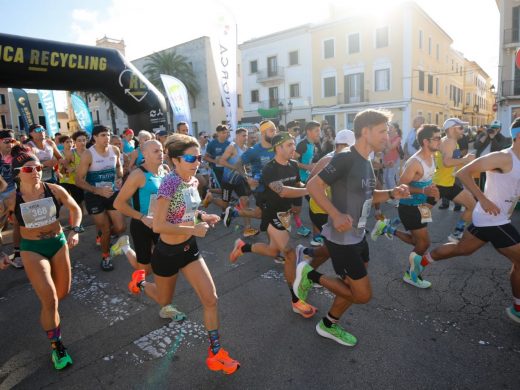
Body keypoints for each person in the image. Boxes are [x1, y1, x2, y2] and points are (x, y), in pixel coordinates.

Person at [301, 109, 410, 346]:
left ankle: (328, 324)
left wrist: (392, 192)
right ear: (365, 131)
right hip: (342, 240)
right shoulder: (345, 158)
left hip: (359, 236)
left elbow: (370, 195)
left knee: (350, 286)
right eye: (382, 131)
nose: (387, 137)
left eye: (388, 132)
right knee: (362, 295)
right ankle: (310, 274)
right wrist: (335, 214)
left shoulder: (366, 161)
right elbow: (313, 186)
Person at [409, 118, 520, 324]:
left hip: (461, 194)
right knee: (424, 213)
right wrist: (483, 198)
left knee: (463, 248)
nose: (462, 129)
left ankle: (422, 260)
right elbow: (458, 167)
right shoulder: (502, 157)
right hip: (479, 210)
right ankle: (518, 308)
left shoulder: (510, 158)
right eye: (459, 126)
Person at [151, 133, 239, 374]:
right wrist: (194, 227)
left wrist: (203, 216)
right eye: (191, 157)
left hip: (189, 249)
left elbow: (187, 212)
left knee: (211, 299)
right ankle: (139, 284)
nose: (197, 161)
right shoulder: (170, 183)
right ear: (176, 160)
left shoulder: (193, 180)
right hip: (167, 252)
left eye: (199, 156)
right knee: (163, 300)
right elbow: (158, 225)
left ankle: (215, 352)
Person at [1, 144, 82, 370]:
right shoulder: (11, 199)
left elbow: (75, 208)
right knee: (50, 299)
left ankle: (50, 315)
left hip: (58, 243)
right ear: (18, 173)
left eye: (38, 167)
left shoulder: (54, 189)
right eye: (28, 169)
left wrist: (75, 230)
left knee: (62, 293)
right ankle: (57, 345)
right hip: (32, 248)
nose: (36, 171)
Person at [229, 132, 317, 318]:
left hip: (284, 214)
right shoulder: (270, 169)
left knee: (272, 251)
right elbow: (282, 191)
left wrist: (307, 185)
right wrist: (310, 190)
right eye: (289, 145)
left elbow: (297, 182)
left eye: (294, 144)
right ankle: (296, 300)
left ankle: (243, 247)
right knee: (290, 252)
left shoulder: (293, 164)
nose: (294, 148)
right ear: (278, 148)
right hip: (270, 213)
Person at [112, 140, 186, 321]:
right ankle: (125, 248)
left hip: (162, 226)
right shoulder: (138, 175)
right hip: (142, 225)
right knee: (144, 268)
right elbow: (118, 203)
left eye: (162, 150)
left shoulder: (166, 171)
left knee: (164, 266)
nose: (161, 154)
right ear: (144, 154)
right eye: (155, 151)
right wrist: (142, 217)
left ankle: (165, 306)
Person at [371, 124, 441, 288]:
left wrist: (433, 194)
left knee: (417, 241)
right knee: (424, 244)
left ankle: (387, 229)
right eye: (437, 138)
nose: (440, 141)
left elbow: (428, 180)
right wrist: (424, 190)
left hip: (423, 205)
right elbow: (401, 186)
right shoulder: (415, 163)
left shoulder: (432, 157)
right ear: (426, 141)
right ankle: (411, 275)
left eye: (440, 137)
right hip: (410, 207)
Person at [75, 125, 126, 271]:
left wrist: (120, 178)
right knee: (105, 230)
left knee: (121, 227)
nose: (107, 138)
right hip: (94, 195)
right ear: (95, 137)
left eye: (108, 135)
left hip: (111, 192)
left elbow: (118, 167)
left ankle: (104, 235)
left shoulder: (114, 150)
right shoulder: (88, 154)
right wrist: (97, 190)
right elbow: (78, 180)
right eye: (103, 135)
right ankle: (106, 256)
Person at [222, 120, 277, 227]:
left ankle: (234, 212)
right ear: (263, 133)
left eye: (275, 130)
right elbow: (238, 165)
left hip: (274, 186)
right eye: (271, 131)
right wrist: (247, 178)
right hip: (261, 188)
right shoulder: (254, 150)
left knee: (260, 214)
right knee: (266, 215)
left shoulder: (277, 147)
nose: (274, 133)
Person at [206, 128, 257, 237]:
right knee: (225, 204)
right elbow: (221, 161)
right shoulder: (232, 147)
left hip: (238, 179)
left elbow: (243, 165)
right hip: (227, 180)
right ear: (237, 136)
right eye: (244, 135)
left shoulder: (245, 148)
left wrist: (246, 174)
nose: (246, 138)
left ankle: (247, 228)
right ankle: (211, 198)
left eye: (246, 135)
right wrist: (233, 167)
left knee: (245, 200)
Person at [308, 129, 355, 246]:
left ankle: (306, 253)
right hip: (322, 211)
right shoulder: (327, 160)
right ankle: (306, 254)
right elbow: (309, 184)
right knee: (336, 247)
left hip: (333, 211)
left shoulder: (346, 159)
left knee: (333, 247)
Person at [433, 118, 477, 243]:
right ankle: (389, 226)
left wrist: (465, 165)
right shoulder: (450, 142)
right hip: (440, 185)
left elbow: (451, 163)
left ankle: (456, 234)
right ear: (452, 129)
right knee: (417, 213)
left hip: (448, 183)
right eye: (460, 128)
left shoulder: (451, 141)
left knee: (471, 205)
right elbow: (447, 162)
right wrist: (465, 160)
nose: (463, 130)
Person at [294, 120, 322, 237]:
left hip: (310, 179)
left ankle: (316, 232)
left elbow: (311, 161)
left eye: (319, 131)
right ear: (308, 131)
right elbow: (292, 161)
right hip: (301, 180)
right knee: (314, 205)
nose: (319, 133)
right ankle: (316, 235)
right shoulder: (302, 144)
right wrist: (307, 167)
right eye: (316, 131)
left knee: (312, 205)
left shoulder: (313, 144)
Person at [474, 120, 511, 191]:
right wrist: (485, 135)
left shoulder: (501, 137)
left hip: (491, 164)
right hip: (479, 162)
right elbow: (476, 146)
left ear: (500, 129)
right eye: (493, 128)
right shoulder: (484, 134)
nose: (495, 130)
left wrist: (492, 138)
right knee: (477, 183)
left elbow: (499, 148)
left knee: (489, 183)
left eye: (497, 128)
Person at [383, 122, 402, 193]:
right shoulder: (386, 137)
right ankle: (388, 195)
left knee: (390, 177)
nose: (389, 128)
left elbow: (391, 147)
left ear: (396, 129)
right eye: (389, 127)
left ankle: (395, 195)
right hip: (385, 160)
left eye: (391, 127)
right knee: (385, 178)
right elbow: (383, 149)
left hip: (394, 160)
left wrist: (387, 138)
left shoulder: (398, 138)